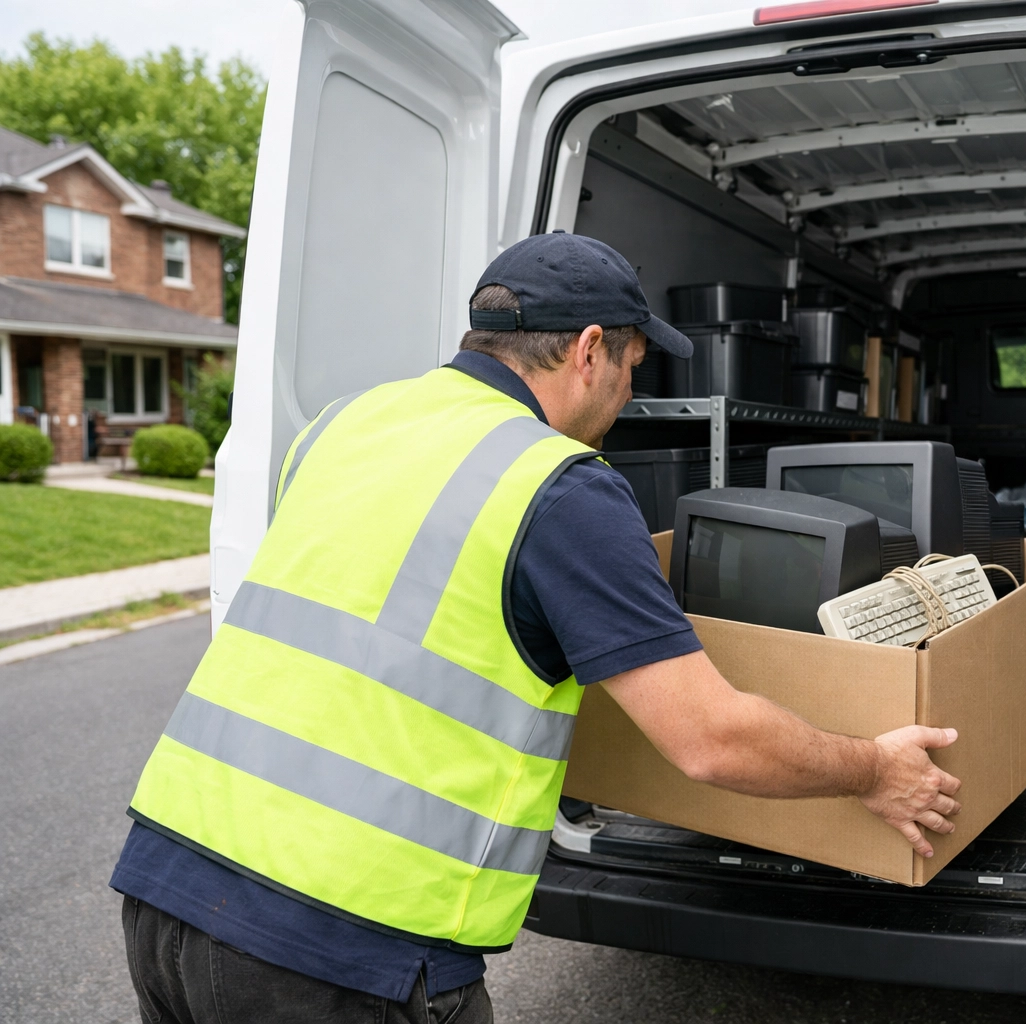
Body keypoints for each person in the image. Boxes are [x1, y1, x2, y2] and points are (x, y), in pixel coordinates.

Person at [111, 232, 962, 1024]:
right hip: (337, 949)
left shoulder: (346, 422)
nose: (630, 396)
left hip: (165, 891)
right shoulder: (557, 486)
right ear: (589, 349)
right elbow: (712, 741)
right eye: (632, 366)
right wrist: (872, 770)